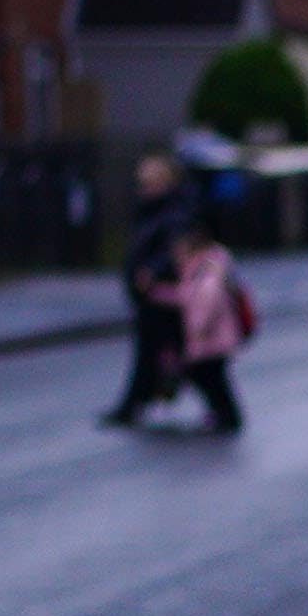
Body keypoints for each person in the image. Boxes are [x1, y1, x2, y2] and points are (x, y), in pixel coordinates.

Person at [101, 154, 194, 427]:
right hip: (150, 294)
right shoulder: (150, 209)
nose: (146, 187)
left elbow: (175, 248)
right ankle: (135, 403)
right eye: (144, 181)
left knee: (184, 354)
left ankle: (135, 404)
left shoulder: (174, 211)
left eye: (153, 181)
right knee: (152, 352)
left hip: (163, 293)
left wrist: (154, 271)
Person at [166, 225, 256, 432]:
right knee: (212, 379)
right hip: (211, 338)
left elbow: (208, 300)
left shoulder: (205, 271)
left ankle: (227, 416)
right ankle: (224, 414)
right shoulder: (199, 269)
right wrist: (156, 292)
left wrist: (198, 328)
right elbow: (183, 296)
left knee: (210, 379)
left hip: (211, 339)